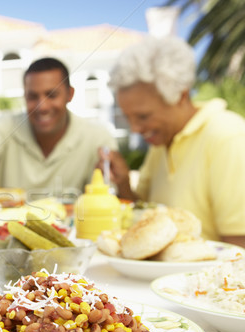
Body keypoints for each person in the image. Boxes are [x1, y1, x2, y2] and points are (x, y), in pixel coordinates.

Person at [100, 35, 245, 246]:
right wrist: (122, 182)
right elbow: (144, 219)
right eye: (127, 117)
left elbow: (239, 248)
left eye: (143, 116)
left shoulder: (228, 137)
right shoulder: (161, 140)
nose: (135, 129)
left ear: (181, 95)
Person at [0, 57, 118, 200]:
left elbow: (118, 199)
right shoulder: (7, 125)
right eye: (32, 97)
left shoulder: (98, 137)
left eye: (52, 95)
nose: (42, 106)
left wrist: (121, 181)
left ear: (70, 94)